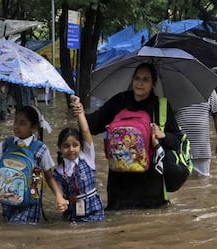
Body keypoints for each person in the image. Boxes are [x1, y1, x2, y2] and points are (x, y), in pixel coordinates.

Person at [71, 63, 183, 210]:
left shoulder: (161, 106)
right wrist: (80, 112)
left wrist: (163, 135)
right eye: (137, 78)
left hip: (151, 188)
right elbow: (93, 125)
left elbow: (177, 141)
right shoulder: (119, 101)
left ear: (153, 84)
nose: (140, 83)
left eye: (145, 79)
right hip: (119, 188)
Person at [0, 106, 68, 223]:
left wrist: (58, 196)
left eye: (22, 123)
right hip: (7, 199)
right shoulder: (6, 144)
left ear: (33, 127)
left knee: (20, 230)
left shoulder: (40, 149)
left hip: (31, 202)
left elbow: (49, 177)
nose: (16, 126)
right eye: (15, 121)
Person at [53, 95, 105, 222]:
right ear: (59, 148)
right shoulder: (58, 172)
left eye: (75, 145)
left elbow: (86, 131)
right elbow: (60, 196)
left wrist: (80, 112)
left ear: (81, 146)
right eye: (66, 146)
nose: (71, 149)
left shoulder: (87, 157)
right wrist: (60, 205)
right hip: (72, 216)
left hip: (95, 213)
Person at [174, 90, 217, 177]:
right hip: (179, 149)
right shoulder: (173, 90)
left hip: (202, 150)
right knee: (180, 184)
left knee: (203, 186)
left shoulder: (208, 89)